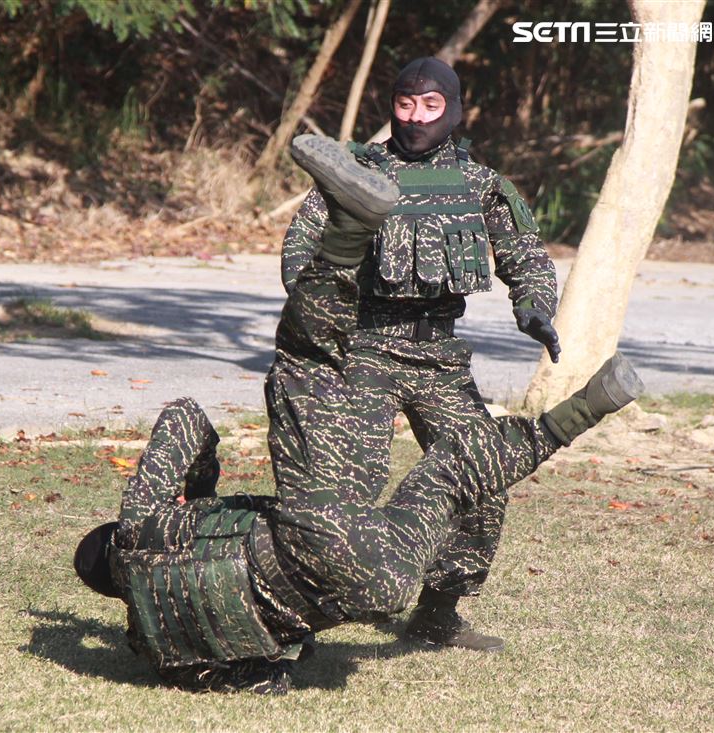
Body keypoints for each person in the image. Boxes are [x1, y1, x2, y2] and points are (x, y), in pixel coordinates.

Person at [75, 139, 644, 695]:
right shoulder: (141, 526)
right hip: (314, 527)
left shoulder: (157, 644)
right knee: (307, 361)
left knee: (448, 478)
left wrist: (533, 302)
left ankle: (575, 417)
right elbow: (184, 418)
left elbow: (257, 677)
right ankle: (351, 232)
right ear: (111, 543)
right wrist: (196, 491)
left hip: (375, 584)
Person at [281, 57, 561, 650]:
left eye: (430, 106)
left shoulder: (481, 184)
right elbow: (299, 255)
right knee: (341, 490)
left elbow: (528, 257)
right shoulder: (352, 173)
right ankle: (300, 614)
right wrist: (320, 300)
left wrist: (535, 307)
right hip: (361, 351)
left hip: (439, 357)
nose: (415, 118)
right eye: (405, 105)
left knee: (482, 478)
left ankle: (439, 614)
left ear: (455, 110)